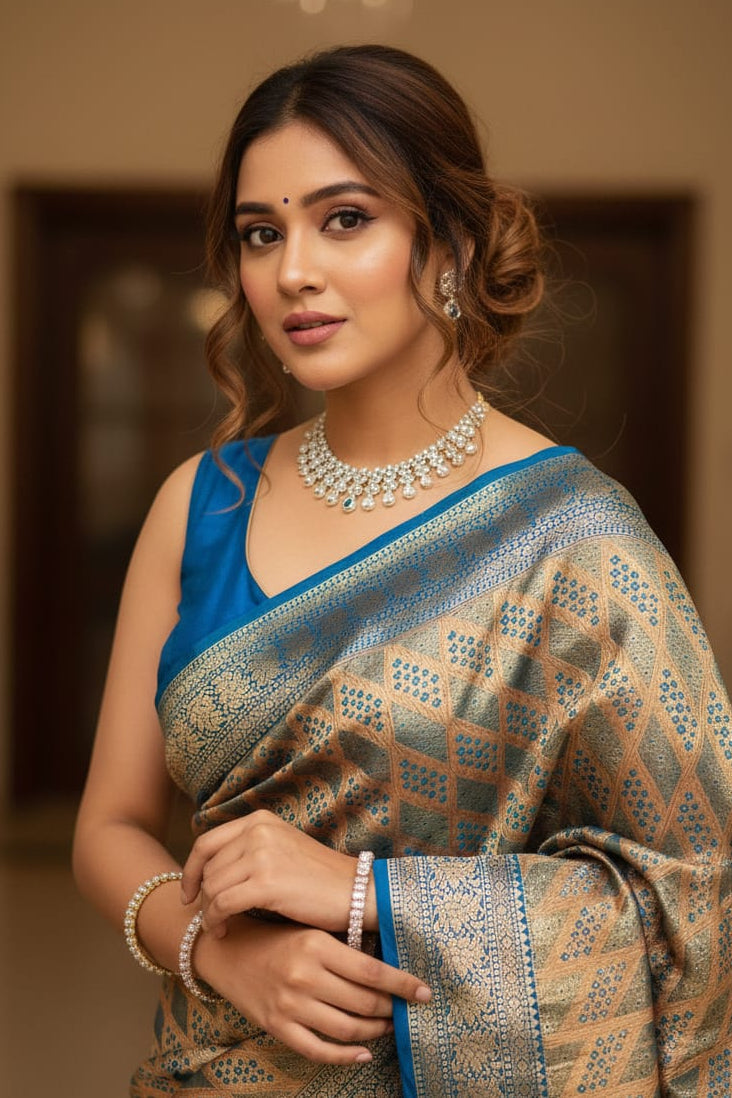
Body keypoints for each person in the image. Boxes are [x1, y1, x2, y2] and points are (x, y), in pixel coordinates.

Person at [72, 44, 732, 1097]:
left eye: (345, 219)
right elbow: (107, 828)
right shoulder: (200, 504)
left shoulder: (579, 542)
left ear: (451, 245)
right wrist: (223, 952)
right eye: (260, 233)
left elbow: (693, 892)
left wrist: (364, 889)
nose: (292, 270)